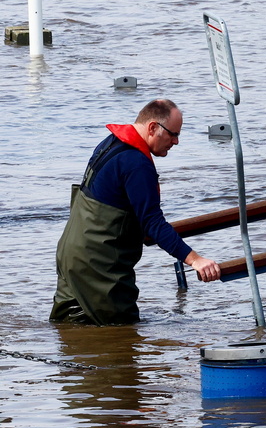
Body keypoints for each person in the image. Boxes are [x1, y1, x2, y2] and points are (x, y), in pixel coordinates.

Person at [50, 99, 221, 326]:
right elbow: (153, 222)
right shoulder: (136, 163)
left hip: (70, 253)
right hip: (98, 264)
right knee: (122, 334)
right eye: (172, 134)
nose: (176, 141)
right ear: (152, 128)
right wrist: (195, 260)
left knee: (69, 327)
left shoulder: (109, 143)